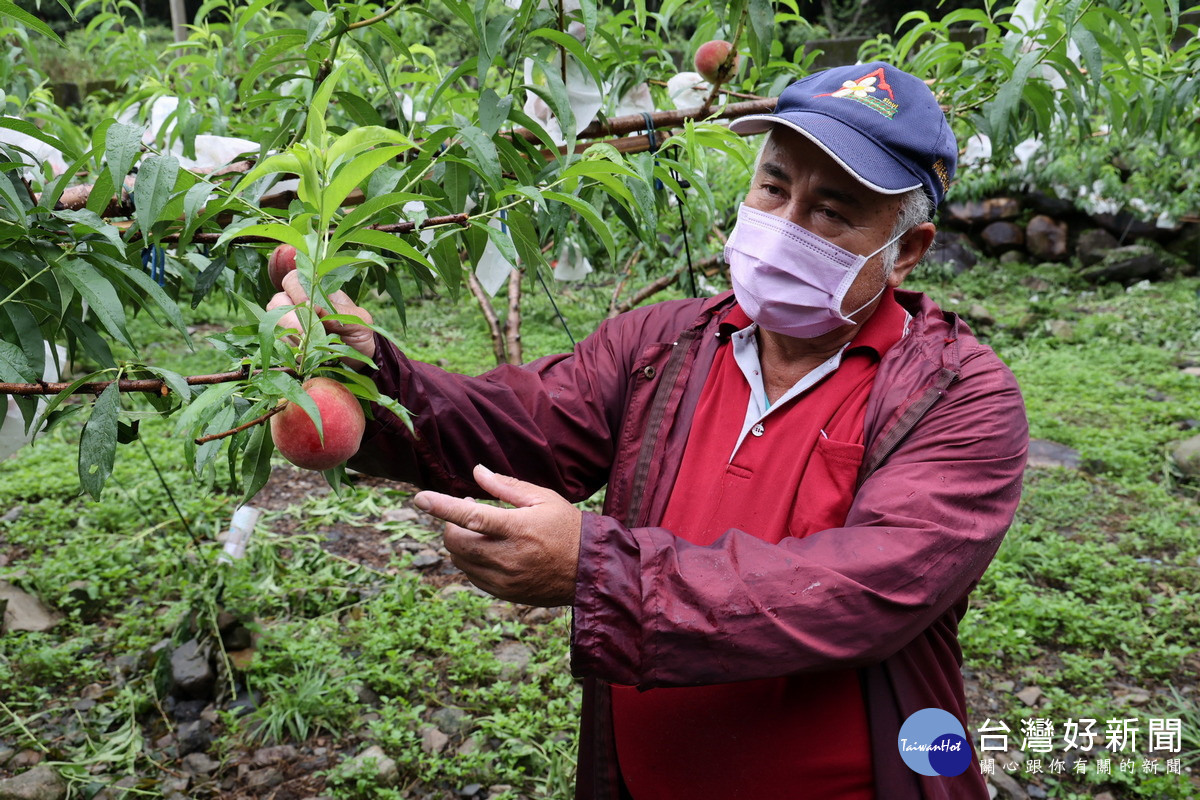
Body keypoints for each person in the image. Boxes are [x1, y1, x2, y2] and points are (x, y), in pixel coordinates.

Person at [270, 61, 1028, 800]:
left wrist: (598, 574)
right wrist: (378, 377)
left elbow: (862, 590)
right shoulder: (666, 345)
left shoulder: (958, 396)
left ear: (908, 252)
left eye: (830, 211)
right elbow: (524, 427)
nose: (784, 224)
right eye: (772, 187)